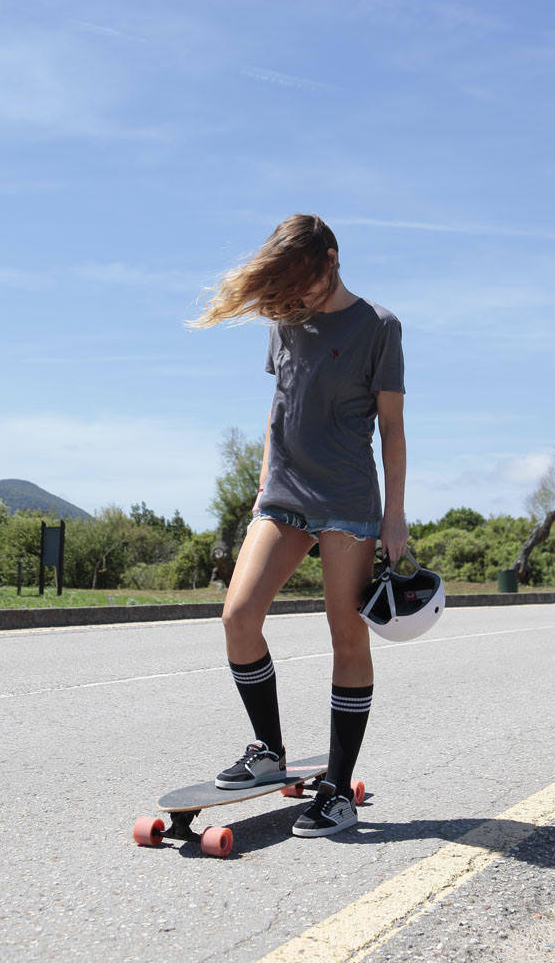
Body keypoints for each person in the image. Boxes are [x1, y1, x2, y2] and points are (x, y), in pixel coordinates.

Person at [192, 213, 407, 836]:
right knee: (238, 616)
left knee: (346, 637)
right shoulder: (284, 319)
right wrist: (263, 489)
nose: (303, 294)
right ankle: (269, 750)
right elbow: (277, 404)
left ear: (333, 259)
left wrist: (393, 517)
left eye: (309, 280)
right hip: (284, 492)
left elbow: (391, 429)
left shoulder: (379, 327)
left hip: (347, 499)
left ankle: (336, 790)